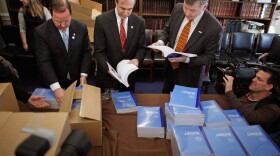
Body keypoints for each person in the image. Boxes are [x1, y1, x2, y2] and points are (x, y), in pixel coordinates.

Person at [151, 0, 223, 93]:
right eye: (185, 7)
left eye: (192, 10)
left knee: (185, 106)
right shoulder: (178, 8)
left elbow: (211, 57)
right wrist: (160, 42)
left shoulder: (214, 28)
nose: (187, 13)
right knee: (166, 98)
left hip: (190, 76)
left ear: (204, 7)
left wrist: (186, 59)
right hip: (170, 68)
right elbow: (167, 30)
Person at [35, 0, 92, 102]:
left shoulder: (81, 27)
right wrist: (56, 87)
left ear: (71, 14)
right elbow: (44, 61)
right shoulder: (41, 32)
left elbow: (86, 52)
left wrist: (83, 74)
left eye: (66, 20)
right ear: (51, 14)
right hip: (55, 80)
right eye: (58, 21)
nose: (63, 25)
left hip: (76, 80)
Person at [93, 0, 146, 92]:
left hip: (128, 77)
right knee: (106, 106)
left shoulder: (139, 22)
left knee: (127, 105)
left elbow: (142, 48)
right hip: (107, 76)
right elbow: (98, 51)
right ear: (116, 3)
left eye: (130, 9)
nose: (125, 13)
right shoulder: (101, 20)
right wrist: (109, 69)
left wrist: (137, 59)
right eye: (122, 8)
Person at [223, 66, 280, 134]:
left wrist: (229, 91)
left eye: (259, 79)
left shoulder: (272, 108)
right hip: (227, 121)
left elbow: (250, 118)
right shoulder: (245, 88)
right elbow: (227, 97)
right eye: (255, 76)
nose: (253, 79)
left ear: (268, 86)